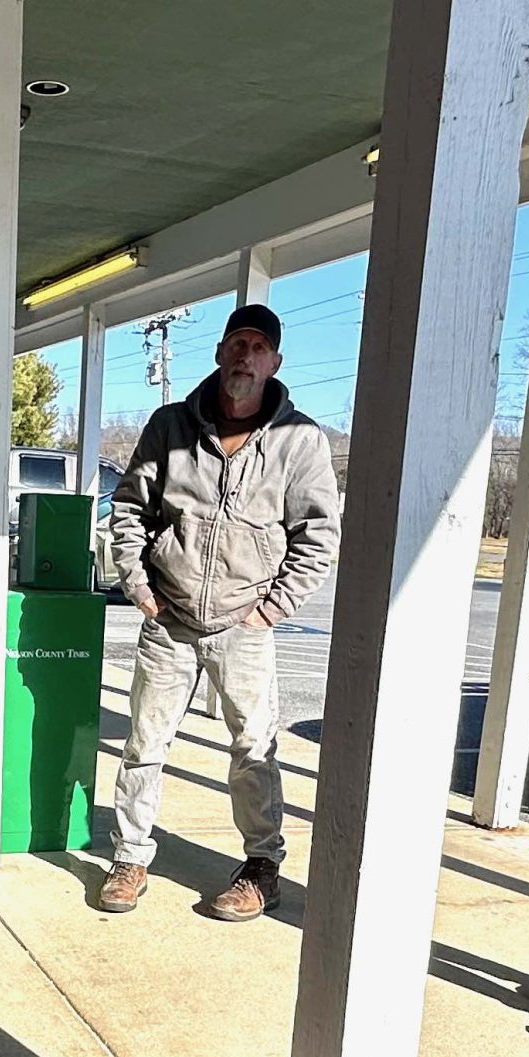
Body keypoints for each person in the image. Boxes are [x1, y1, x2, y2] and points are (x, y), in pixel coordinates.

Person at [98, 303, 342, 919]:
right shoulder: (170, 426)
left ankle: (262, 868)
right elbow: (128, 510)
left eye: (259, 347)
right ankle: (130, 858)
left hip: (245, 624)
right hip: (169, 621)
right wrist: (141, 589)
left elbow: (318, 535)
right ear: (219, 353)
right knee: (144, 744)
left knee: (254, 750)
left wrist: (272, 609)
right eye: (237, 343)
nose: (245, 356)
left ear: (275, 362)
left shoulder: (299, 439)